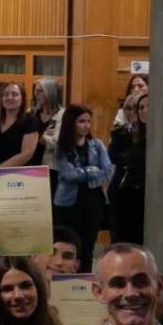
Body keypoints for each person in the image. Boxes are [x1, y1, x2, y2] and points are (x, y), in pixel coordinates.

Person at [51, 104, 112, 271]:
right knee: (68, 247)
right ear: (71, 123)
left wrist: (82, 173)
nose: (86, 125)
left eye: (88, 121)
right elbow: (68, 174)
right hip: (68, 204)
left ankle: (84, 287)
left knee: (88, 249)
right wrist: (92, 171)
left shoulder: (97, 145)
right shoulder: (62, 147)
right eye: (81, 121)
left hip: (93, 201)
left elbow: (107, 172)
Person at [112, 94, 149, 245]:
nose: (144, 111)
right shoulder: (134, 136)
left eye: (149, 107)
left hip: (150, 197)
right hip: (130, 196)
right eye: (141, 107)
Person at [0, 82, 37, 169]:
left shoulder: (30, 120)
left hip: (17, 176)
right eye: (6, 94)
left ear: (22, 99)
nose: (9, 97)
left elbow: (26, 154)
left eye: (14, 94)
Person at [31, 78, 66, 171]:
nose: (36, 94)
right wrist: (42, 136)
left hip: (51, 167)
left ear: (51, 93)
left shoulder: (63, 115)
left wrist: (37, 136)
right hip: (30, 163)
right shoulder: (32, 113)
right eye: (35, 90)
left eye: (40, 91)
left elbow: (57, 143)